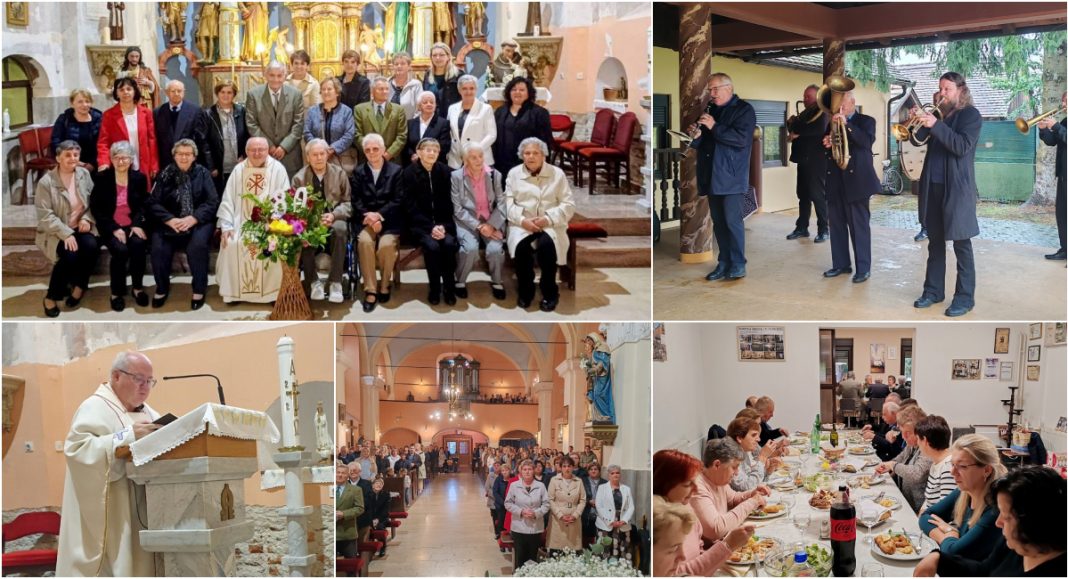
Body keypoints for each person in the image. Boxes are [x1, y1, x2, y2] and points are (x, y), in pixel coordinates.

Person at [55, 351, 161, 576]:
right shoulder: (94, 407)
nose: (145, 387)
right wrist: (128, 436)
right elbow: (77, 450)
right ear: (116, 376)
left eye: (150, 381)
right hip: (116, 511)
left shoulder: (151, 414)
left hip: (145, 508)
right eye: (139, 379)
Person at [912, 72, 982, 317]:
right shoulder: (940, 114)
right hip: (933, 186)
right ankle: (933, 291)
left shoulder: (970, 115)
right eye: (940, 88)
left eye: (947, 89)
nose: (941, 93)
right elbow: (917, 139)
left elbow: (961, 146)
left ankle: (965, 298)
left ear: (960, 90)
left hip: (957, 189)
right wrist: (919, 120)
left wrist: (935, 124)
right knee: (935, 242)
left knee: (962, 244)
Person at [913, 465, 1066, 577]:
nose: (998, 522)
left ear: (1034, 523)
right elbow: (985, 571)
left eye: (1006, 517)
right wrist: (940, 560)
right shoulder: (1015, 545)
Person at [692, 73, 756, 282]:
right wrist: (696, 137)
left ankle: (738, 264)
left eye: (715, 89)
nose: (711, 93)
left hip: (731, 176)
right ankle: (724, 263)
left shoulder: (744, 110)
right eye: (710, 89)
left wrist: (714, 126)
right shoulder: (711, 109)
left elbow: (741, 140)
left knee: (732, 221)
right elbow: (706, 142)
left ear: (729, 88)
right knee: (719, 222)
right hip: (711, 174)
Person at [654, 449, 755, 576]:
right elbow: (677, 574)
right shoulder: (660, 522)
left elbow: (699, 550)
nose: (695, 489)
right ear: (665, 485)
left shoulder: (686, 507)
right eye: (688, 484)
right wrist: (727, 545)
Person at [216, 137, 289, 304]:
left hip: (269, 223)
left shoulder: (278, 169)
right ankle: (234, 294)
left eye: (261, 150)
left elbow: (284, 198)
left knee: (272, 244)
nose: (257, 153)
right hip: (240, 222)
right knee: (232, 243)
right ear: (246, 151)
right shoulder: (238, 170)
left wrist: (275, 222)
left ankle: (271, 294)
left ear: (267, 150)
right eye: (252, 150)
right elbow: (227, 200)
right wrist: (226, 226)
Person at [505, 137, 575, 311]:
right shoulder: (514, 174)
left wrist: (548, 219)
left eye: (535, 153)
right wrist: (522, 220)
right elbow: (508, 204)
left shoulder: (557, 174)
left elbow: (568, 204)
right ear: (521, 156)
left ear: (544, 155)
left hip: (550, 223)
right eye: (527, 153)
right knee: (521, 248)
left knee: (547, 246)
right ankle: (525, 290)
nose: (531, 156)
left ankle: (550, 290)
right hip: (523, 223)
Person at [148, 139, 218, 310]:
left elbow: (212, 201)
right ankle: (162, 287)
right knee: (158, 247)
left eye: (188, 154)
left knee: (197, 246)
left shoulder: (203, 173)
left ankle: (199, 289)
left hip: (197, 221)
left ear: (194, 156)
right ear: (174, 156)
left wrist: (193, 218)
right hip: (169, 221)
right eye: (180, 154)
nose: (184, 157)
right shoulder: (164, 175)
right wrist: (169, 219)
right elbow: (152, 203)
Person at [918, 434, 1007, 560]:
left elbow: (954, 553)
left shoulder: (994, 510)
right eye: (953, 464)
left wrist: (950, 533)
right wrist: (949, 536)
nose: (952, 472)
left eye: (962, 466)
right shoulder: (963, 492)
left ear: (987, 470)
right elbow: (925, 516)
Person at [35, 141, 99, 318]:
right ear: (58, 158)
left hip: (81, 226)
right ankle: (51, 296)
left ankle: (80, 286)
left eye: (76, 155)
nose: (73, 159)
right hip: (56, 230)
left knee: (91, 246)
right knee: (70, 254)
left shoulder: (84, 174)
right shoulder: (46, 182)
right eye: (68, 155)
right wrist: (66, 234)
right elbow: (45, 215)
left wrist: (86, 218)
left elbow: (93, 201)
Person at [822, 91, 879, 283]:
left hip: (857, 182)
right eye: (837, 103)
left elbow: (866, 142)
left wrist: (847, 124)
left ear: (853, 102)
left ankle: (863, 269)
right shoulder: (831, 123)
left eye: (843, 102)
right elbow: (827, 148)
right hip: (836, 180)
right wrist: (827, 143)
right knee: (836, 225)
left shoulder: (866, 121)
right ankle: (841, 264)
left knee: (858, 227)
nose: (839, 106)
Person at [90, 141, 150, 312]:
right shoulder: (102, 178)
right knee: (120, 250)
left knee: (138, 245)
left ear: (131, 160)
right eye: (116, 158)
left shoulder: (139, 178)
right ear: (111, 159)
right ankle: (116, 293)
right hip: (111, 225)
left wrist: (137, 224)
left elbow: (143, 205)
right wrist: (114, 228)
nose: (121, 161)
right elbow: (96, 208)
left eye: (125, 158)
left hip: (131, 224)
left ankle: (137, 288)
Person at [292, 139, 351, 303]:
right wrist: (311, 219)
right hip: (310, 221)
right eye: (314, 155)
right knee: (303, 234)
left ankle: (335, 282)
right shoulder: (299, 178)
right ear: (308, 157)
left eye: (322, 154)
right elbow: (295, 208)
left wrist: (334, 215)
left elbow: (348, 203)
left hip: (334, 218)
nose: (319, 158)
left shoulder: (339, 173)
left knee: (341, 230)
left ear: (327, 155)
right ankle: (313, 282)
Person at [350, 134, 403, 312]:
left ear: (383, 149)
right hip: (366, 220)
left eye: (375, 149)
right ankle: (371, 289)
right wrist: (370, 218)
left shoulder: (396, 171)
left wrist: (379, 215)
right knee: (364, 242)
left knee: (386, 246)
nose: (372, 152)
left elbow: (398, 199)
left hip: (390, 220)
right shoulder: (358, 172)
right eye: (367, 150)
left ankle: (385, 285)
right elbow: (356, 200)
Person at [402, 138, 458, 305]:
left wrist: (443, 226)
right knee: (432, 247)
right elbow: (410, 206)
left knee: (449, 244)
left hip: (444, 224)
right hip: (420, 225)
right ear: (419, 153)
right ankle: (435, 289)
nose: (432, 153)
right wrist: (431, 227)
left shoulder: (445, 171)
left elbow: (451, 202)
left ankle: (449, 287)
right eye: (428, 150)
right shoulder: (409, 173)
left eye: (435, 150)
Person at [451, 143, 507, 300]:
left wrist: (492, 225)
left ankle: (497, 281)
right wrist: (479, 226)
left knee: (495, 250)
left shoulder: (494, 175)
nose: (478, 160)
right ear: (465, 160)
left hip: (491, 219)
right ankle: (460, 281)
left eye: (480, 156)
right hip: (467, 220)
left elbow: (502, 203)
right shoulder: (456, 176)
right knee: (469, 249)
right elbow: (457, 209)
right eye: (473, 157)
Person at [690, 438, 769, 543]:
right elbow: (716, 529)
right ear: (717, 465)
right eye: (734, 467)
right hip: (711, 549)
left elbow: (733, 499)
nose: (736, 473)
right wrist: (753, 502)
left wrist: (752, 494)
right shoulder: (697, 487)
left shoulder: (718, 479)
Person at [245, 61, 306, 176]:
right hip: (263, 154)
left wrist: (284, 147)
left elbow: (298, 125)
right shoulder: (253, 94)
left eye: (279, 75)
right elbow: (251, 124)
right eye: (272, 75)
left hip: (290, 156)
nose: (275, 79)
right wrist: (269, 146)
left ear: (285, 76)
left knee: (291, 188)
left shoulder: (296, 94)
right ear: (265, 75)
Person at [785, 84, 829, 242]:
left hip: (816, 161)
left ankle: (824, 230)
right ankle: (802, 228)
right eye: (804, 96)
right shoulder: (806, 113)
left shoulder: (822, 111)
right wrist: (793, 125)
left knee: (817, 196)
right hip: (803, 159)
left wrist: (798, 132)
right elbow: (796, 127)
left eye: (808, 97)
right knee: (803, 195)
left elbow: (819, 129)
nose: (804, 99)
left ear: (817, 97)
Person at [98, 77, 159, 184]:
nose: (125, 92)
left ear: (135, 91)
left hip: (143, 164)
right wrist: (104, 162)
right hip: (120, 165)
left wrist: (154, 164)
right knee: (123, 193)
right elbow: (103, 143)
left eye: (129, 89)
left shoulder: (146, 113)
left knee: (142, 192)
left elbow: (152, 140)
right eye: (121, 90)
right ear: (116, 93)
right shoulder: (109, 115)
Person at [875, 405, 932, 513]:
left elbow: (916, 474)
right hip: (906, 500)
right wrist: (887, 465)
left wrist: (893, 465)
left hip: (918, 509)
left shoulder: (927, 448)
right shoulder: (912, 445)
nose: (903, 437)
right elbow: (901, 457)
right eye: (902, 432)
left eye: (908, 433)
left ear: (920, 431)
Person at [493, 75, 552, 179]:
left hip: (528, 162)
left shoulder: (539, 113)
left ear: (529, 93)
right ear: (509, 92)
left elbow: (546, 140)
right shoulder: (500, 111)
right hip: (502, 161)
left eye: (522, 90)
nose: (517, 92)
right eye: (514, 89)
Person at [154, 80, 211, 170]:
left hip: (189, 163)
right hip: (165, 164)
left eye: (179, 91)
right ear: (167, 93)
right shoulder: (158, 112)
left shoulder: (195, 111)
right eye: (173, 91)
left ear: (184, 92)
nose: (176, 94)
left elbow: (202, 140)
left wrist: (209, 165)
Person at [205, 80, 250, 195]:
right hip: (219, 167)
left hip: (239, 164)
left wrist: (244, 156)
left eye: (229, 92)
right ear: (217, 93)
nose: (226, 95)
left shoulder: (242, 111)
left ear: (234, 94)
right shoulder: (208, 114)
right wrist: (211, 166)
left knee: (239, 196)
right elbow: (204, 143)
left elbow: (248, 136)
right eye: (222, 92)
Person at [505, 459, 550, 573]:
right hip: (519, 527)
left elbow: (546, 504)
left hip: (535, 527)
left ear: (534, 471)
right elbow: (508, 503)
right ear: (521, 471)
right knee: (520, 557)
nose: (527, 472)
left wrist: (536, 513)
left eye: (530, 469)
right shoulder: (514, 485)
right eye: (524, 469)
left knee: (532, 557)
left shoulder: (541, 486)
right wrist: (521, 511)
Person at [303, 77, 356, 170]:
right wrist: (319, 148)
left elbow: (349, 134)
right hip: (317, 158)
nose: (326, 92)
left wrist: (332, 149)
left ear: (337, 92)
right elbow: (307, 132)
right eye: (323, 89)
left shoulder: (346, 111)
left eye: (329, 89)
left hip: (340, 160)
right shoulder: (312, 111)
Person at [1038, 91, 1066, 261]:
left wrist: (1056, 126)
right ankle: (1065, 249)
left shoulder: (1061, 124)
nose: (1063, 105)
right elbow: (1052, 141)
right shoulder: (1065, 121)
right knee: (1062, 214)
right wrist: (1043, 130)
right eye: (1063, 101)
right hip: (1063, 175)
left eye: (1067, 101)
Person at [447, 75, 496, 169]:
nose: (468, 92)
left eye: (471, 88)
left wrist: (473, 152)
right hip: (456, 159)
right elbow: (450, 133)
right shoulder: (452, 108)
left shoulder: (486, 109)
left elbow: (491, 135)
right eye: (464, 88)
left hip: (479, 158)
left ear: (476, 89)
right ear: (459, 90)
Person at [354, 77, 408, 163]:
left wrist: (388, 154)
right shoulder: (359, 109)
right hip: (368, 159)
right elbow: (357, 135)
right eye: (381, 89)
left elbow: (402, 136)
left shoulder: (398, 110)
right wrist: (371, 152)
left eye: (387, 89)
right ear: (372, 91)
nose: (385, 91)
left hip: (391, 160)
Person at [51, 89, 103, 171]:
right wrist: (75, 161)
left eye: (87, 101)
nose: (84, 105)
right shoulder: (64, 119)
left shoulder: (99, 119)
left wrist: (93, 164)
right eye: (80, 102)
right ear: (72, 104)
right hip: (70, 163)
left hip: (95, 165)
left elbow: (103, 143)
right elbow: (56, 141)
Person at [727, 416, 782, 492]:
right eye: (753, 435)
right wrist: (762, 457)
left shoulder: (744, 452)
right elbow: (747, 488)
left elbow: (753, 480)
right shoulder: (730, 458)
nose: (759, 439)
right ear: (739, 438)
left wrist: (767, 472)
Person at [915, 415, 957, 513]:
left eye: (918, 439)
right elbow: (928, 500)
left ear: (925, 440)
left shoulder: (948, 467)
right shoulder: (936, 462)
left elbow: (945, 510)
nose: (917, 443)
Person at [595, 464, 634, 563]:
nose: (615, 475)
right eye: (612, 473)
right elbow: (599, 506)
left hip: (622, 523)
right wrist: (610, 521)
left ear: (620, 474)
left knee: (623, 548)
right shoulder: (602, 488)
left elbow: (631, 507)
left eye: (617, 473)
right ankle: (604, 568)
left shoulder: (626, 489)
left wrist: (624, 520)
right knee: (605, 548)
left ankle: (623, 568)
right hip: (606, 523)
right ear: (608, 475)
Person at [546, 456, 585, 554]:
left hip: (573, 518)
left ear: (573, 467)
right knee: (557, 550)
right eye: (564, 466)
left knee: (573, 550)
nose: (567, 469)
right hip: (558, 519)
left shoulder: (579, 481)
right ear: (560, 467)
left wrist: (575, 515)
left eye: (569, 466)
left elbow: (582, 500)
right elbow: (550, 499)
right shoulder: (554, 480)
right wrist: (560, 515)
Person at [405, 91, 452, 165]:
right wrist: (412, 155)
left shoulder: (443, 123)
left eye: (432, 102)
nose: (429, 104)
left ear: (435, 105)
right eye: (425, 102)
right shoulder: (410, 123)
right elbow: (406, 145)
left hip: (435, 165)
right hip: (413, 164)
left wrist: (422, 156)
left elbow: (444, 146)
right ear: (419, 106)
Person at [423, 42, 461, 118]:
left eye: (441, 55)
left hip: (453, 117)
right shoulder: (427, 75)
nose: (438, 58)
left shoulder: (458, 75)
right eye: (434, 55)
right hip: (433, 119)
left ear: (448, 56)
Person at [335, 463, 364, 558]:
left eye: (343, 473)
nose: (340, 475)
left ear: (348, 475)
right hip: (331, 533)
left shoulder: (355, 490)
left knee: (351, 563)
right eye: (338, 472)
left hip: (347, 532)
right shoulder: (327, 488)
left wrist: (344, 514)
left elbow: (359, 508)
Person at [387, 51, 424, 119]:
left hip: (409, 123)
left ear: (409, 66)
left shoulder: (416, 85)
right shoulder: (386, 83)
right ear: (393, 67)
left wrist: (412, 124)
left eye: (403, 63)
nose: (399, 66)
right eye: (396, 64)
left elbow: (420, 109)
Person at [363, 476, 392, 555]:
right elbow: (367, 509)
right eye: (377, 483)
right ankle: (368, 548)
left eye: (381, 484)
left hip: (382, 518)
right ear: (372, 485)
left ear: (383, 486)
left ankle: (383, 547)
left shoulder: (386, 494)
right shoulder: (368, 495)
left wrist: (378, 519)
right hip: (370, 517)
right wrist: (372, 519)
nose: (378, 485)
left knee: (380, 527)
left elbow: (385, 510)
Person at [582, 462, 607, 544]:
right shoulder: (583, 481)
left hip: (600, 515)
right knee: (586, 539)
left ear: (599, 471)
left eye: (595, 469)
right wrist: (589, 501)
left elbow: (608, 499)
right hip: (586, 514)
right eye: (591, 469)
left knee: (600, 539)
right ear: (588, 471)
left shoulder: (605, 483)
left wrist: (599, 502)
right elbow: (578, 497)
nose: (593, 471)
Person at [492, 462, 513, 540]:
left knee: (510, 522)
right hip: (501, 505)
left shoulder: (513, 479)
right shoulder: (498, 479)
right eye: (503, 470)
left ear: (509, 470)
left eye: (506, 470)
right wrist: (503, 502)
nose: (504, 472)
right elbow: (495, 492)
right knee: (501, 521)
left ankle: (510, 537)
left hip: (511, 505)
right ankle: (500, 537)